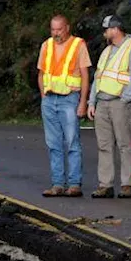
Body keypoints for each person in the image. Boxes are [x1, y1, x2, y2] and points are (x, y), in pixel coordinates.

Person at [87, 15, 131, 198]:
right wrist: (92, 101)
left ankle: (127, 184)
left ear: (115, 29)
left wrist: (125, 99)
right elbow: (98, 78)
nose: (104, 32)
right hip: (103, 102)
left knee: (125, 143)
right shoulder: (107, 51)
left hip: (121, 102)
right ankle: (106, 184)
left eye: (106, 29)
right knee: (104, 145)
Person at [36, 14, 92, 197]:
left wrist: (83, 102)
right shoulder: (46, 45)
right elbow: (41, 74)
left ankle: (74, 184)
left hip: (69, 99)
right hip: (50, 100)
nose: (56, 33)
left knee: (72, 143)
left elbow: (85, 76)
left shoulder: (78, 45)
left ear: (67, 27)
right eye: (53, 29)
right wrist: (44, 96)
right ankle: (57, 184)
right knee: (53, 144)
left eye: (59, 29)